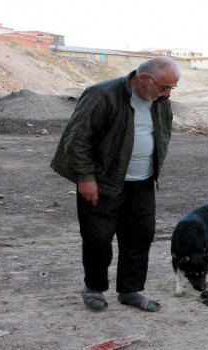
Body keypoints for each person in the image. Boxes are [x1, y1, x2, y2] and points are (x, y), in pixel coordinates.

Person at [50, 56, 180, 312]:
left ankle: (131, 290)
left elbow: (160, 134)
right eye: (163, 87)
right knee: (98, 239)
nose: (166, 94)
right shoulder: (104, 94)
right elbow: (78, 138)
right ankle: (94, 288)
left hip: (142, 182)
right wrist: (85, 177)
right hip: (103, 181)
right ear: (144, 78)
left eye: (171, 89)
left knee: (140, 237)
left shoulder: (160, 101)